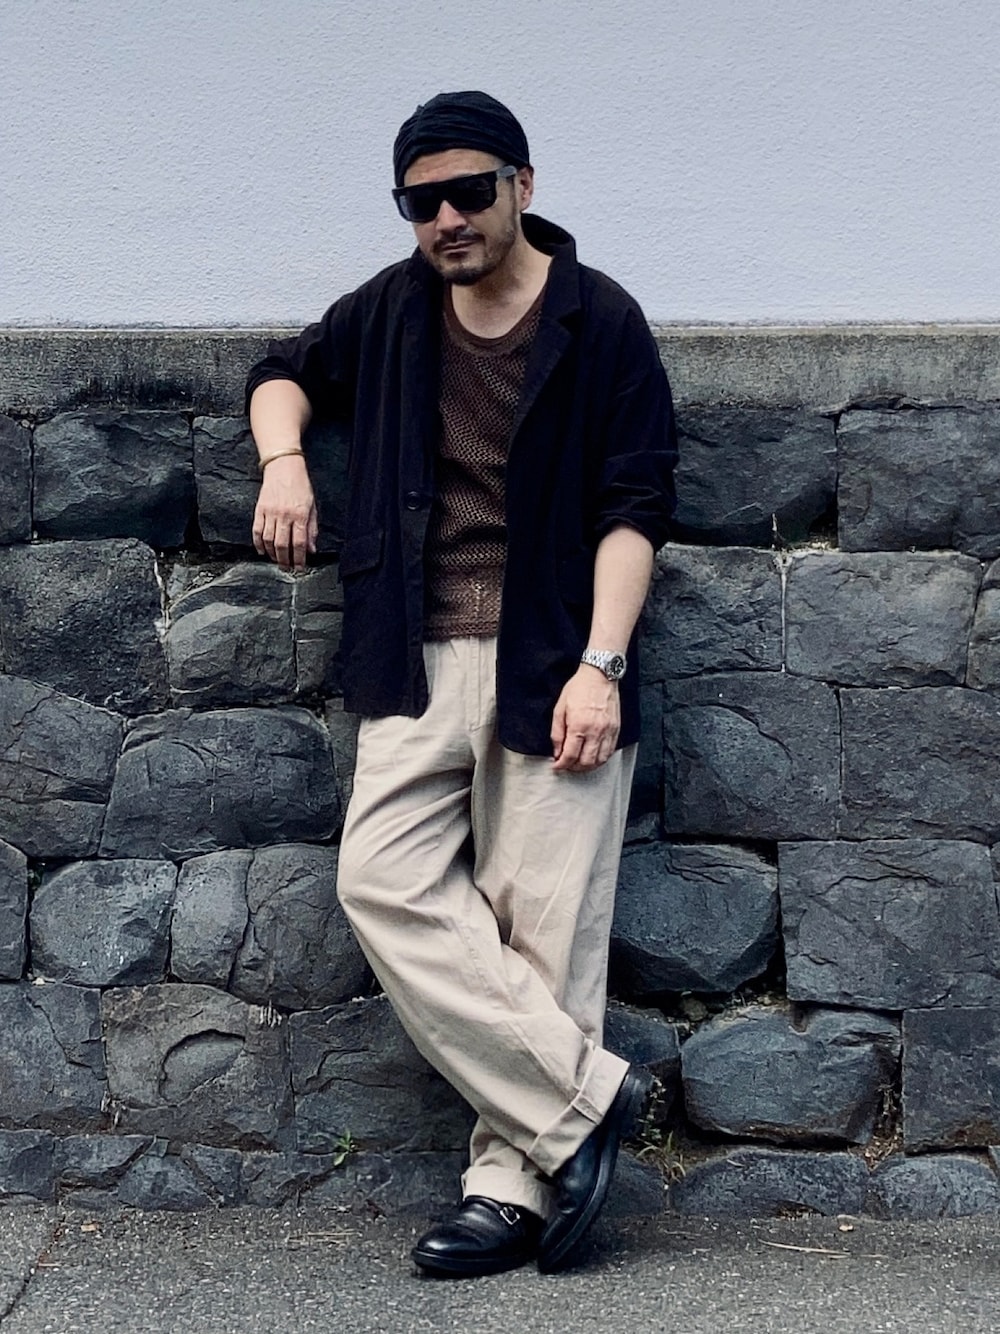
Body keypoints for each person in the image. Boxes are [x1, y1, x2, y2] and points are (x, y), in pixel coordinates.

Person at [245, 90, 677, 1277]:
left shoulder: (602, 319)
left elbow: (635, 507)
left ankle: (507, 1189)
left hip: (555, 657)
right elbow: (282, 371)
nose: (445, 219)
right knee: (380, 880)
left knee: (543, 930)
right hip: (414, 651)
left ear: (521, 186)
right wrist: (284, 461)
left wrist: (600, 665)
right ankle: (587, 1098)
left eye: (467, 192)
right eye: (418, 202)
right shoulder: (391, 309)